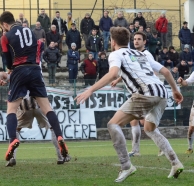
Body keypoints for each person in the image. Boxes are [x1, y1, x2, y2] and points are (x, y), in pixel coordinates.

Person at [75, 27, 184, 182]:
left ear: (112, 42)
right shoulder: (141, 53)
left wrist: (90, 90)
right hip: (162, 93)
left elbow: (112, 73)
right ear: (128, 41)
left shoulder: (115, 54)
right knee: (149, 129)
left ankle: (126, 166)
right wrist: (175, 90)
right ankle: (175, 162)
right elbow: (166, 71)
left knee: (113, 124)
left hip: (145, 93)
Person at [0, 11, 69, 165]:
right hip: (35, 71)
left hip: (19, 72)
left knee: (11, 110)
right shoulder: (30, 32)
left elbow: (9, 64)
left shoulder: (5, 37)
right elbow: (39, 45)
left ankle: (13, 141)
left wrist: (7, 71)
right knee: (48, 108)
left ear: (4, 24)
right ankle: (60, 136)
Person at [110, 31, 154, 157]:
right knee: (136, 122)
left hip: (147, 92)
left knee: (146, 125)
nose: (136, 41)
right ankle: (136, 150)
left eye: (139, 39)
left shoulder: (146, 55)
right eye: (134, 39)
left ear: (144, 42)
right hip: (139, 92)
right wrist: (118, 79)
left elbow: (151, 72)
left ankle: (154, 148)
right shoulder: (133, 54)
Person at [7, 93, 71, 166]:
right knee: (53, 127)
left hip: (24, 106)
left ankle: (12, 157)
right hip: (39, 105)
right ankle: (61, 157)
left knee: (16, 129)